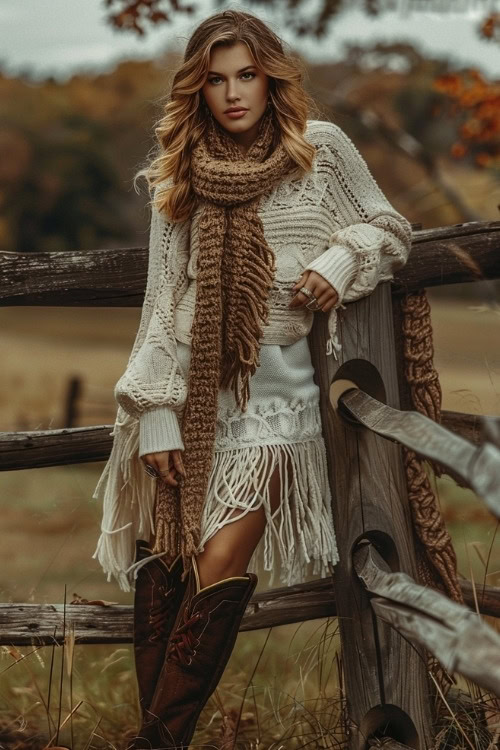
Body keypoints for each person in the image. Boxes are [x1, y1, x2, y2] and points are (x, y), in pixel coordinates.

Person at [91, 8, 412, 748]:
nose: (234, 94)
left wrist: (343, 259)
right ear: (196, 90)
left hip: (276, 402)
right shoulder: (180, 171)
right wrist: (155, 412)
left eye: (247, 76)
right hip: (185, 399)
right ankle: (159, 739)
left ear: (270, 77)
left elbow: (389, 228)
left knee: (222, 559)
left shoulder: (319, 152)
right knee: (168, 566)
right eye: (215, 80)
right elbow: (162, 302)